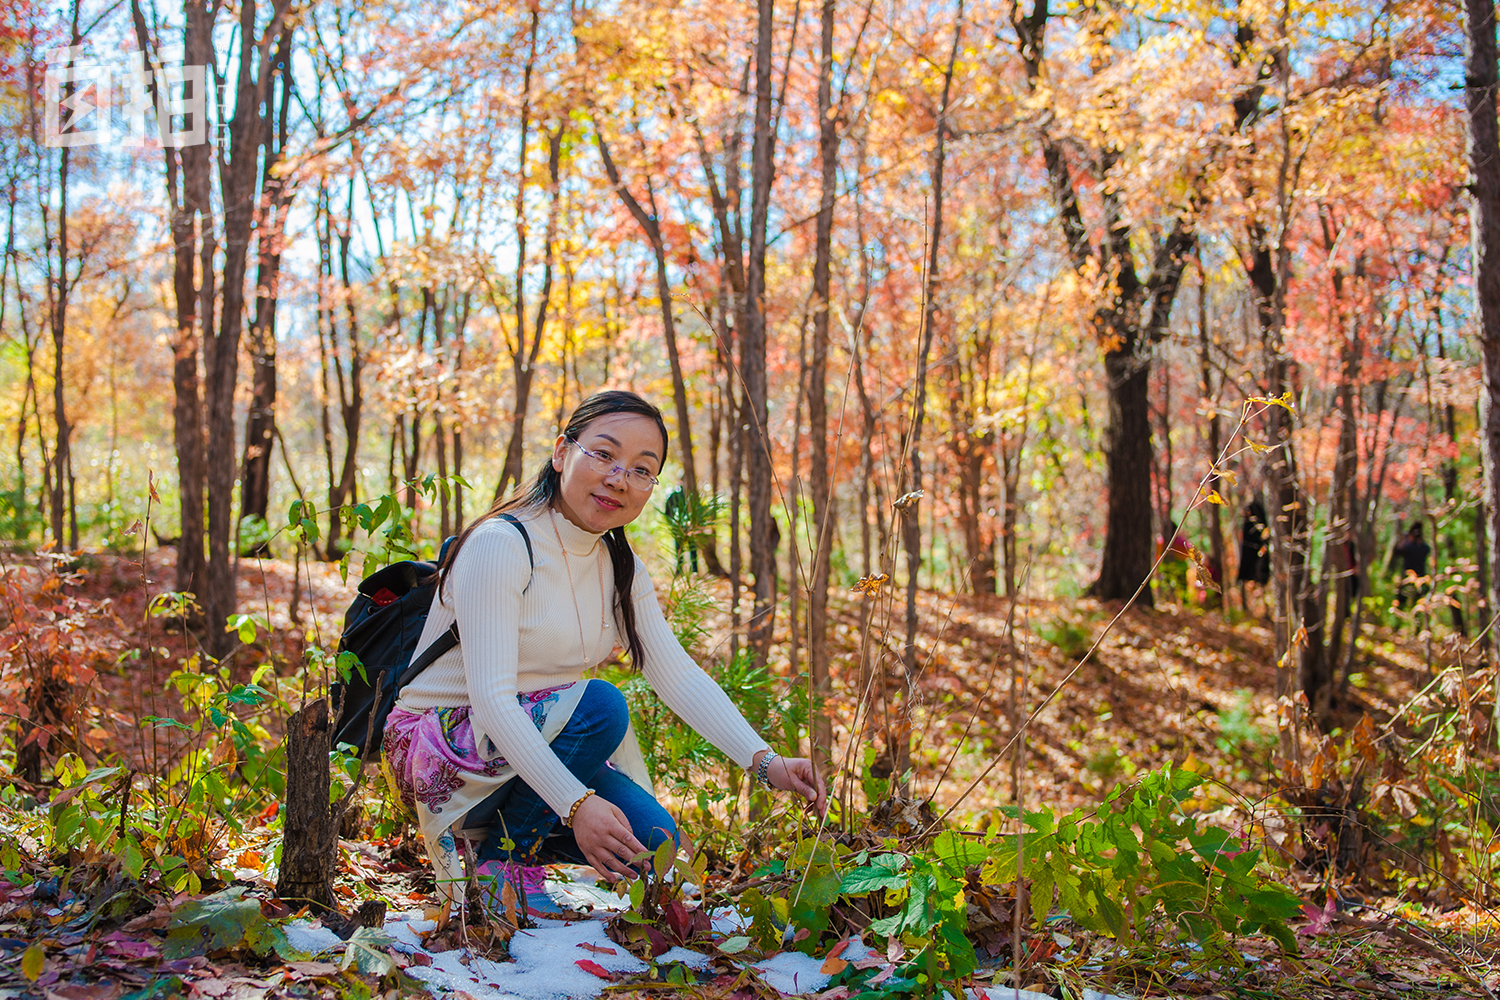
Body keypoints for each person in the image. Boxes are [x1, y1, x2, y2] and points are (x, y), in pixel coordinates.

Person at [382, 391, 825, 912]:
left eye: (642, 469)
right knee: (600, 705)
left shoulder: (619, 565)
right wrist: (575, 804)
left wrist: (764, 762)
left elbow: (676, 675)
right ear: (561, 453)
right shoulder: (502, 544)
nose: (619, 477)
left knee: (657, 845)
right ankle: (503, 864)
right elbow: (494, 699)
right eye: (604, 454)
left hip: (529, 747)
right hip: (438, 746)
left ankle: (498, 841)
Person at [1237, 499, 1270, 614]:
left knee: (1260, 579)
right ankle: (1249, 609)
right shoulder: (1247, 525)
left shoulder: (1260, 524)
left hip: (1260, 558)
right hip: (1250, 558)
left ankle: (1263, 610)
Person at [1391, 522, 1431, 610]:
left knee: (1402, 601)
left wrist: (1402, 541)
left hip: (1408, 579)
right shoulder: (1424, 548)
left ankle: (1400, 618)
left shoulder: (1408, 548)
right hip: (1421, 578)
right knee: (1420, 603)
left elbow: (1397, 551)